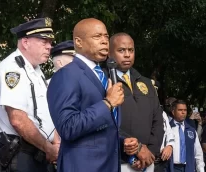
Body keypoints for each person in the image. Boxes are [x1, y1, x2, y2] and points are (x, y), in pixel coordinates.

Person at [47, 18, 133, 172]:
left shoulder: (103, 76)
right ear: (78, 42)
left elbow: (98, 133)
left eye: (106, 36)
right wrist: (107, 103)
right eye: (97, 37)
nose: (104, 41)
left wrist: (123, 144)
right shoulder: (66, 75)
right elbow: (67, 127)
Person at [0, 17, 60, 172]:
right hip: (22, 154)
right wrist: (48, 147)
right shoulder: (12, 70)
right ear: (26, 42)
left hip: (40, 153)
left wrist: (54, 144)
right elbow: (18, 120)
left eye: (50, 42)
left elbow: (46, 112)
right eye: (44, 41)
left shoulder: (36, 69)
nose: (49, 46)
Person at [108, 32, 164, 172]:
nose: (127, 55)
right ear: (109, 53)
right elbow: (106, 122)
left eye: (131, 50)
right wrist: (134, 152)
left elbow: (157, 120)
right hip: (119, 161)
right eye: (121, 50)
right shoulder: (103, 80)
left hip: (147, 161)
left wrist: (150, 151)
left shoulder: (146, 82)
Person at [169, 100, 204, 172]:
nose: (183, 112)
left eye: (185, 110)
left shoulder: (191, 130)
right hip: (172, 168)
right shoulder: (168, 128)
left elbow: (198, 153)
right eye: (180, 110)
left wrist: (201, 169)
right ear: (173, 112)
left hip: (188, 167)